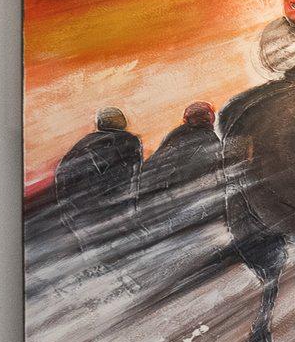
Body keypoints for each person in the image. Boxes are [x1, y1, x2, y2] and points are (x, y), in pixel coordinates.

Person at [54, 106, 143, 249]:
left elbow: (63, 177)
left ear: (99, 123)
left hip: (81, 210)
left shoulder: (81, 146)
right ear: (122, 122)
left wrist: (67, 211)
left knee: (95, 252)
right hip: (111, 209)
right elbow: (133, 180)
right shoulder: (129, 142)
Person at [133, 101, 223, 240]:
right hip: (182, 197)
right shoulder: (209, 138)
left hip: (160, 193)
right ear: (210, 118)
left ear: (186, 119)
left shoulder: (175, 134)